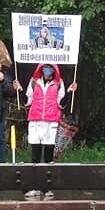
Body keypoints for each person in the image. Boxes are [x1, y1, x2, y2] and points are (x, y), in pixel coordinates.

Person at [14, 63, 77, 199]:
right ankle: (34, 186)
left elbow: (62, 103)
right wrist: (19, 90)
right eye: (45, 67)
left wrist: (70, 92)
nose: (47, 70)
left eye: (50, 68)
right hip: (35, 120)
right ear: (40, 69)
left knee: (49, 155)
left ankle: (46, 188)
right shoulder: (33, 82)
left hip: (51, 120)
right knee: (35, 154)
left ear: (54, 70)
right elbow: (27, 101)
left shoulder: (58, 83)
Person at [0, 63, 17, 163]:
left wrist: (3, 80)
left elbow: (11, 93)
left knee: (0, 139)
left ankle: (1, 163)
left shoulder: (5, 75)